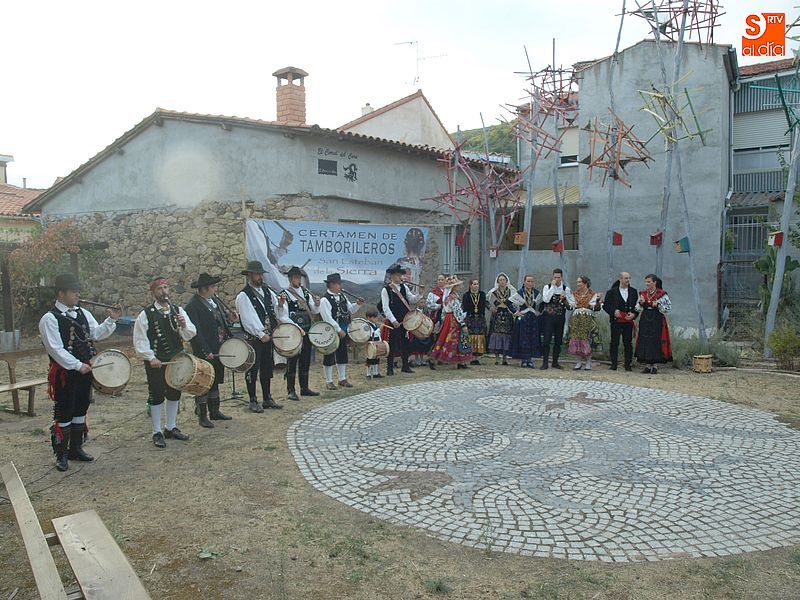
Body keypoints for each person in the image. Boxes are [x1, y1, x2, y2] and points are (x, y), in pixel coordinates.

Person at [39, 273, 120, 471]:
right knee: (64, 410)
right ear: (61, 293)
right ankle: (61, 455)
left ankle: (75, 449)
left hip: (85, 369)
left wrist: (111, 319)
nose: (78, 294)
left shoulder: (82, 313)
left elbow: (96, 333)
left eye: (78, 291)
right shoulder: (49, 319)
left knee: (81, 407)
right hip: (65, 373)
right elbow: (55, 349)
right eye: (73, 291)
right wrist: (77, 365)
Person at [134, 277, 197, 448]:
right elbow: (140, 340)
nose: (164, 291)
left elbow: (190, 333)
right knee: (156, 394)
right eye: (160, 288)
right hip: (156, 360)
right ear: (153, 292)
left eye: (166, 288)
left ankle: (170, 427)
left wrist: (183, 326)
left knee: (174, 392)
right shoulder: (145, 314)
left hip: (176, 359)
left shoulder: (178, 311)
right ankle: (156, 431)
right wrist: (150, 357)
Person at [235, 261, 287, 412]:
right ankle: (252, 400)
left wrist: (281, 304)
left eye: (261, 274)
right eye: (257, 274)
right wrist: (260, 333)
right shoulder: (244, 296)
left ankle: (267, 398)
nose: (260, 277)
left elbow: (275, 311)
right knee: (252, 368)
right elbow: (247, 318)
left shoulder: (267, 292)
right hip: (254, 338)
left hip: (268, 337)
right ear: (250, 275)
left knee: (266, 367)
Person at [183, 273, 234, 428]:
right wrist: (205, 350)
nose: (215, 289)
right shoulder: (193, 306)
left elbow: (220, 322)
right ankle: (202, 414)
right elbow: (195, 332)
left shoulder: (213, 302)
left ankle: (215, 410)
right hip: (204, 349)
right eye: (213, 287)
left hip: (217, 346)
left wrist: (230, 320)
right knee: (203, 382)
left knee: (215, 379)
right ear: (204, 289)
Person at [280, 266, 320, 400]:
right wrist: (296, 327)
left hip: (307, 330)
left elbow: (313, 311)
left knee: (305, 359)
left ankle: (304, 388)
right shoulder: (284, 294)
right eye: (296, 277)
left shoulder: (306, 293)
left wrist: (317, 304)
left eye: (299, 277)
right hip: (293, 331)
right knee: (292, 360)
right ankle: (290, 390)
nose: (298, 280)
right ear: (290, 278)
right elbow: (283, 315)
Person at [318, 273, 363, 389]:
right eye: (338, 284)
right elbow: (327, 317)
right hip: (330, 332)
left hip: (343, 329)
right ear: (331, 284)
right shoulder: (324, 300)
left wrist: (357, 304)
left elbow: (351, 310)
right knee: (329, 355)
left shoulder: (342, 296)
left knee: (342, 354)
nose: (340, 286)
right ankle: (329, 381)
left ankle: (342, 379)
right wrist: (338, 329)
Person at [380, 263, 422, 375]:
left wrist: (420, 294)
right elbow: (385, 307)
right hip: (394, 321)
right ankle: (389, 368)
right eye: (398, 275)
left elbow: (412, 299)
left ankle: (405, 366)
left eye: (401, 275)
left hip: (405, 320)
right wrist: (393, 321)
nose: (401, 277)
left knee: (405, 343)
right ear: (393, 276)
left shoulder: (404, 287)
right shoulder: (386, 290)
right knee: (392, 344)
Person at [430, 276, 473, 368]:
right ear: (453, 287)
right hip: (453, 321)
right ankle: (436, 359)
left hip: (448, 319)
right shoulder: (453, 298)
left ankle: (459, 361)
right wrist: (462, 323)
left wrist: (443, 321)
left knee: (449, 339)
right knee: (453, 340)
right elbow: (457, 312)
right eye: (457, 286)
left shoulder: (448, 297)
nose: (459, 287)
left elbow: (444, 311)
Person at [635, 274, 673, 374]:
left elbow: (668, 308)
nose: (647, 284)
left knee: (655, 340)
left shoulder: (661, 294)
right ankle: (647, 365)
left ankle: (655, 366)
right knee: (645, 340)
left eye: (649, 282)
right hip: (646, 319)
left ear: (654, 282)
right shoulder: (643, 293)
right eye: (646, 282)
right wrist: (640, 303)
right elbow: (637, 308)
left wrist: (658, 305)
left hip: (656, 319)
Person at [602, 272, 639, 371]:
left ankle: (628, 365)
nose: (628, 280)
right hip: (616, 321)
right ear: (620, 279)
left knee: (628, 342)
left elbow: (637, 306)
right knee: (614, 342)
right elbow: (605, 306)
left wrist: (634, 315)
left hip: (628, 321)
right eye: (626, 278)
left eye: (629, 278)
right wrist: (613, 312)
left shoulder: (633, 292)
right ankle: (613, 364)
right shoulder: (612, 292)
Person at [540, 268, 573, 370]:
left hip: (560, 317)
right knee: (546, 340)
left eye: (558, 277)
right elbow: (545, 299)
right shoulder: (547, 287)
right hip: (548, 318)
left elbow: (571, 304)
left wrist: (565, 298)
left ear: (561, 277)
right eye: (555, 277)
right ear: (552, 277)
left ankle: (555, 362)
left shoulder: (566, 289)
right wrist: (552, 286)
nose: (557, 279)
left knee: (558, 341)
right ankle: (545, 362)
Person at [567, 275, 602, 370]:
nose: (578, 284)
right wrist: (565, 300)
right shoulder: (574, 294)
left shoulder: (592, 294)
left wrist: (598, 301)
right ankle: (578, 361)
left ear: (585, 283)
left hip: (588, 320)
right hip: (577, 320)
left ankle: (588, 362)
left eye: (579, 282)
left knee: (588, 339)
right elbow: (570, 306)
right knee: (576, 339)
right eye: (577, 282)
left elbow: (597, 308)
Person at [487, 273, 522, 365]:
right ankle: (497, 359)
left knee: (507, 335)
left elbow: (516, 302)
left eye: (504, 280)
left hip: (507, 315)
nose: (502, 282)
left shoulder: (511, 292)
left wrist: (513, 310)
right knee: (496, 335)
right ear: (497, 282)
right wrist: (491, 308)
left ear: (506, 281)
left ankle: (505, 358)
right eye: (500, 280)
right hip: (497, 315)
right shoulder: (493, 292)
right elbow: (487, 301)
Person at [414, 274, 445, 368]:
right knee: (435, 338)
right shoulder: (433, 293)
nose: (440, 281)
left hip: (446, 317)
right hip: (436, 317)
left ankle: (442, 357)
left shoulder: (448, 292)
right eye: (439, 279)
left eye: (442, 279)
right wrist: (440, 306)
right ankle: (433, 357)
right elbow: (429, 304)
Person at [511, 275, 542, 368]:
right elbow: (509, 302)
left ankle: (530, 359)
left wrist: (539, 311)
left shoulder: (536, 293)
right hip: (523, 318)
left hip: (532, 318)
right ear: (524, 282)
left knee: (532, 338)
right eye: (528, 281)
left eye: (532, 282)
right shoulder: (520, 293)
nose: (530, 283)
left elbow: (543, 302)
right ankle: (524, 359)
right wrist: (515, 312)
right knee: (522, 338)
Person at [462, 278, 487, 366]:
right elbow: (464, 308)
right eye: (474, 284)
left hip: (480, 318)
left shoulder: (482, 294)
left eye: (477, 284)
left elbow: (485, 304)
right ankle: (471, 357)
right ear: (470, 285)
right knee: (471, 337)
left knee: (479, 337)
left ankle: (477, 358)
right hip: (470, 318)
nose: (476, 286)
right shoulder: (466, 295)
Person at [365, 309, 384, 379]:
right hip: (371, 343)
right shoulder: (367, 325)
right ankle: (368, 374)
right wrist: (380, 329)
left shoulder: (374, 324)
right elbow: (372, 334)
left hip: (376, 342)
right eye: (374, 317)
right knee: (370, 359)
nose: (376, 319)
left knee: (376, 358)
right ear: (369, 318)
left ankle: (376, 373)